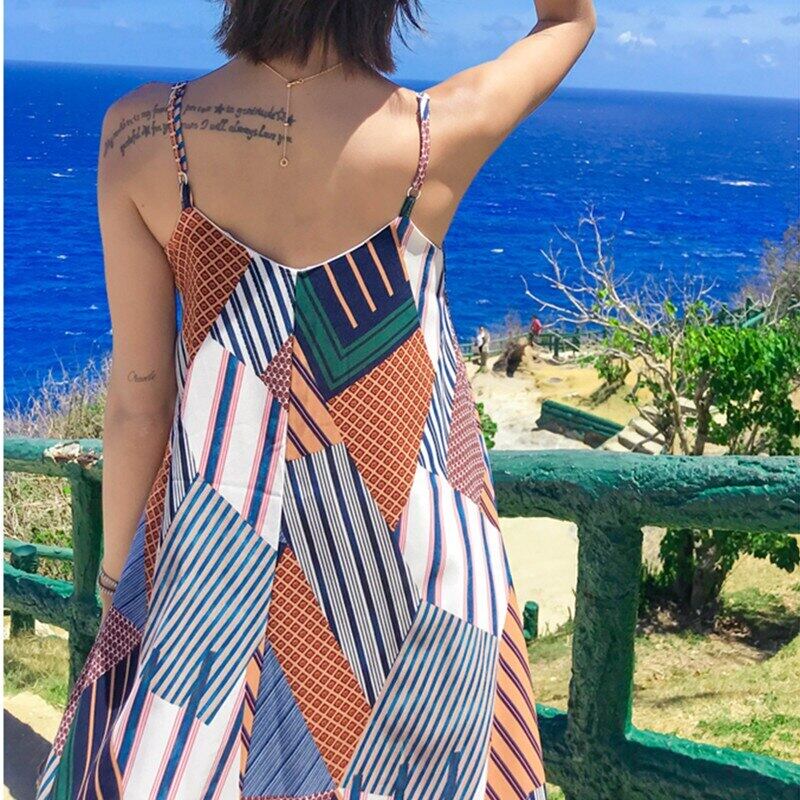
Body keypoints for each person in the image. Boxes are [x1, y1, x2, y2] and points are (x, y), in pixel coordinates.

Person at [35, 1, 595, 798]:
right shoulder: (436, 132)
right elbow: (568, 21)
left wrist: (117, 585)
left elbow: (138, 399)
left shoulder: (147, 134)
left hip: (213, 570)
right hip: (420, 586)